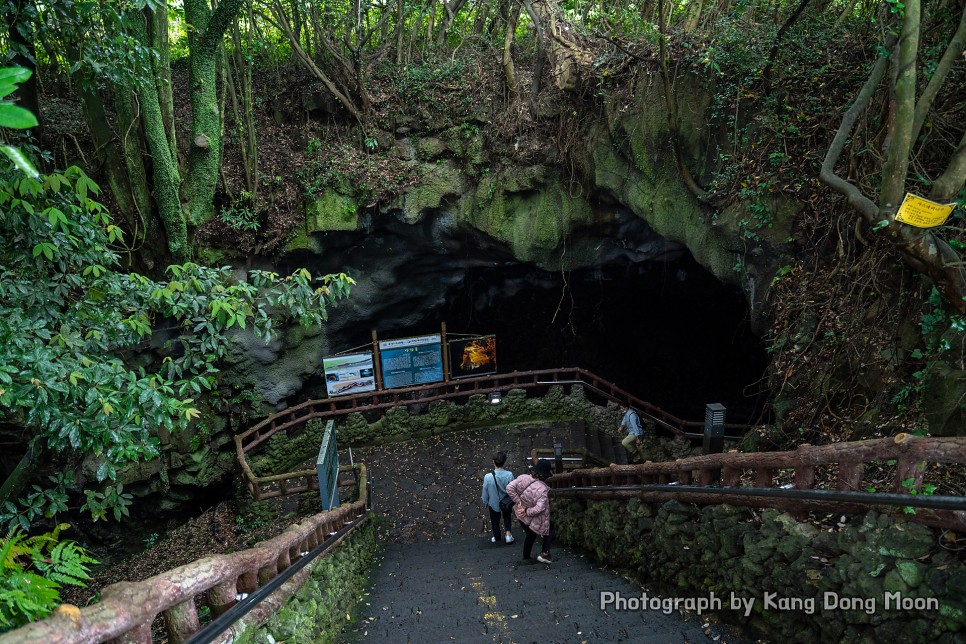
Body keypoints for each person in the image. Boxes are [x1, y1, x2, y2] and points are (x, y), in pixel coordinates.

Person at [506, 459, 554, 564]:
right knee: (550, 530)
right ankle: (544, 554)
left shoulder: (523, 478)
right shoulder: (542, 490)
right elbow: (539, 508)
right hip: (533, 517)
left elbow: (509, 487)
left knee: (530, 535)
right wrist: (527, 511)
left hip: (520, 515)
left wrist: (519, 503)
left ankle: (526, 557)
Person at [481, 451, 515, 544]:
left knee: (495, 521)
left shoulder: (487, 477)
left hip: (493, 503)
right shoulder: (509, 475)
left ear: (493, 462)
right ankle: (508, 535)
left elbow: (485, 491)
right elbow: (513, 489)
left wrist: (485, 502)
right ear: (504, 462)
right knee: (507, 517)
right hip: (506, 502)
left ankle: (497, 537)